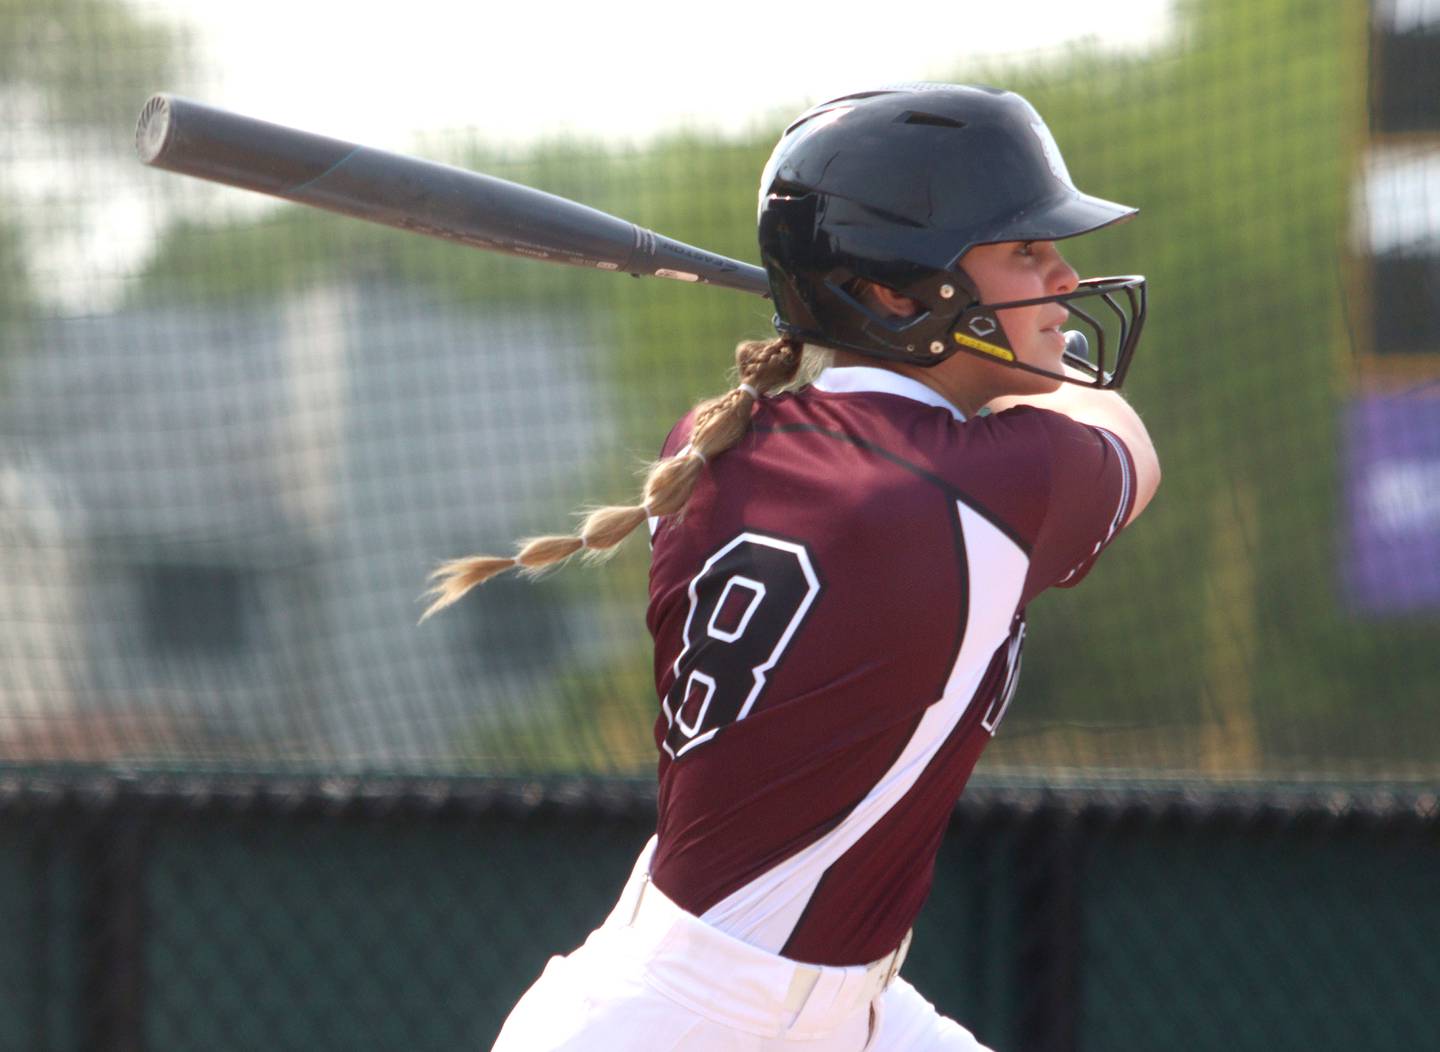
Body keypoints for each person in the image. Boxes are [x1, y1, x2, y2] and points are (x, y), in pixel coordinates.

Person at [425, 83, 1159, 1051]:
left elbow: (880, 417)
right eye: (1027, 249)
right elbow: (1127, 441)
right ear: (898, 291)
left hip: (747, 996)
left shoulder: (715, 440)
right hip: (702, 1022)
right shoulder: (987, 485)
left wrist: (898, 330)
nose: (1065, 278)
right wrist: (1020, 366)